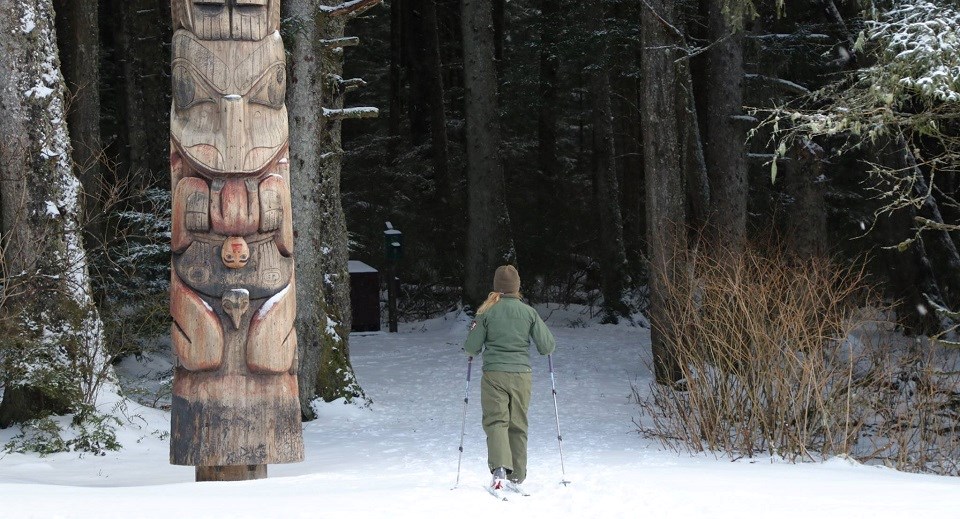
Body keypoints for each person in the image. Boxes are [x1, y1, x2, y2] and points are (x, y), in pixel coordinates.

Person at [464, 265, 556, 491]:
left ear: (496, 286)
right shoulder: (528, 312)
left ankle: (499, 468)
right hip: (521, 376)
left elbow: (471, 346)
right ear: (517, 287)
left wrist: (473, 349)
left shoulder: (486, 312)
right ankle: (518, 475)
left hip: (494, 375)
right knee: (518, 424)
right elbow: (547, 346)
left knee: (496, 421)